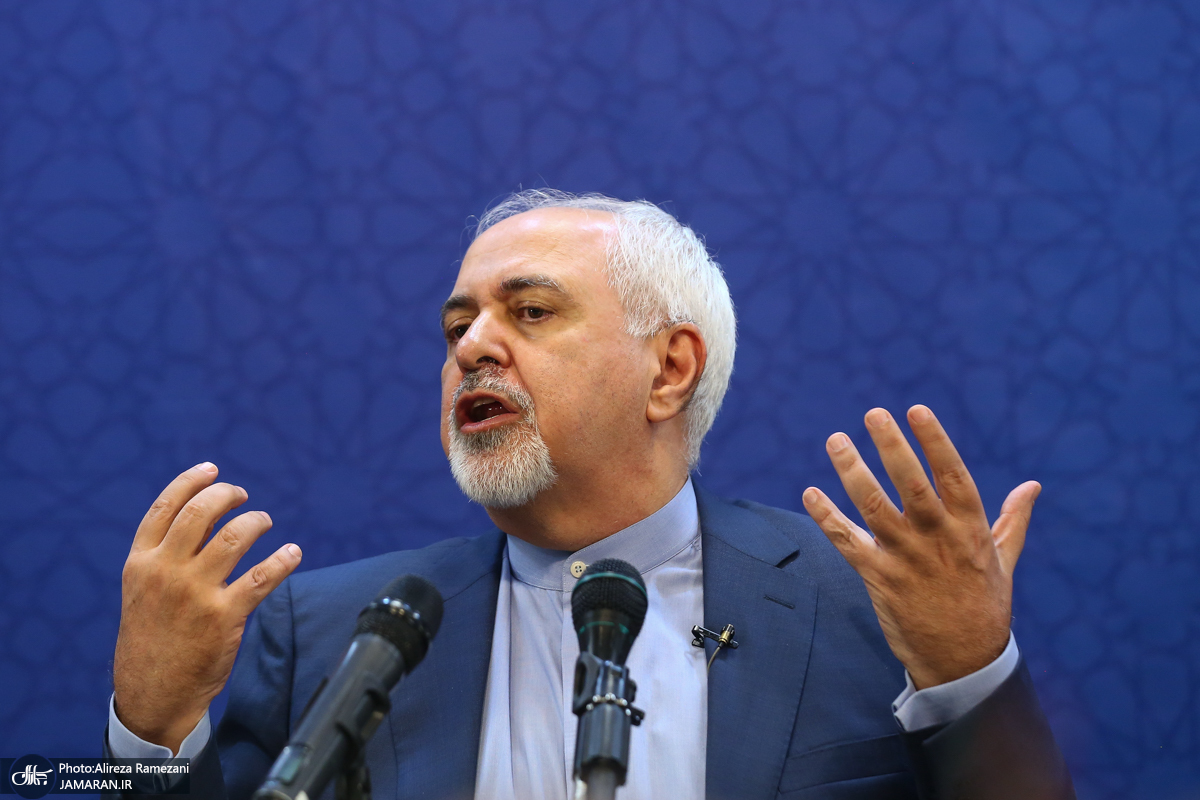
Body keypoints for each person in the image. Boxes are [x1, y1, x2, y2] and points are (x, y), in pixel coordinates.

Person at [106, 190, 1075, 799]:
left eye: (529, 311)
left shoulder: (865, 602)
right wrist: (148, 734)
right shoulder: (331, 633)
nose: (472, 346)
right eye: (455, 327)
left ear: (669, 370)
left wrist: (971, 675)